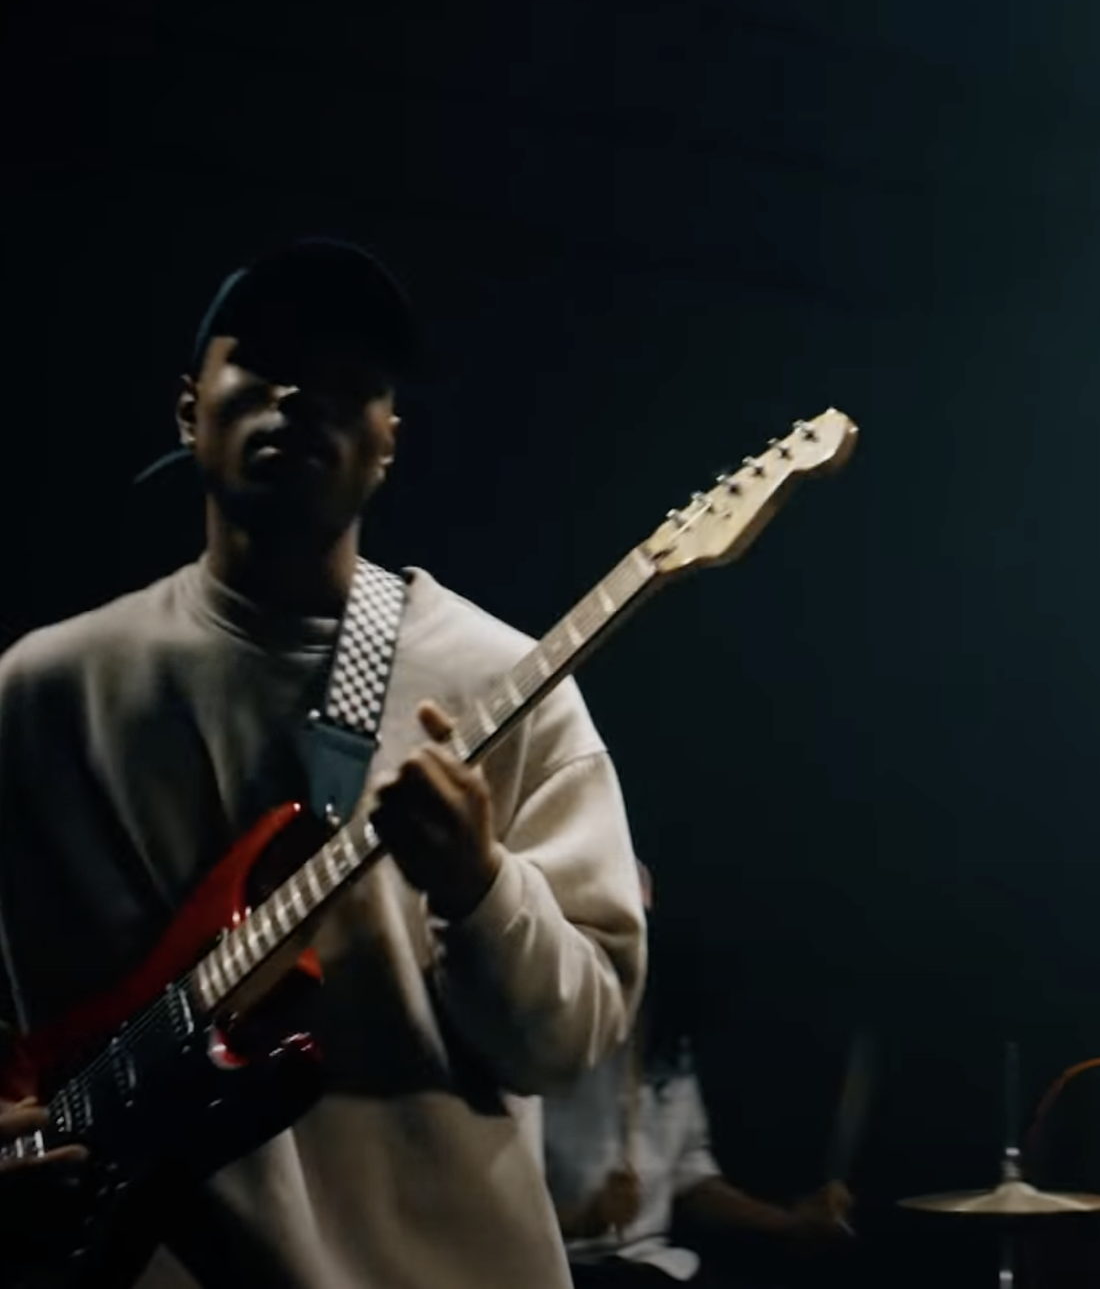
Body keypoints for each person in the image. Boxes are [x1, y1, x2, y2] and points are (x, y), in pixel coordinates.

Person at [0, 239, 647, 1288]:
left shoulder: (505, 683)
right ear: (188, 408)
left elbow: (570, 1041)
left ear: (389, 440)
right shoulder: (38, 692)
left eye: (347, 380)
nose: (301, 399)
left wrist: (478, 885)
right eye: (264, 362)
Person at [543, 863, 856, 1288]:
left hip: (656, 1264)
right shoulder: (530, 1044)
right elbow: (484, 1215)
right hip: (563, 1270)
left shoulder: (666, 1046)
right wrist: (581, 1221)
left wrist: (789, 1222)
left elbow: (691, 1181)